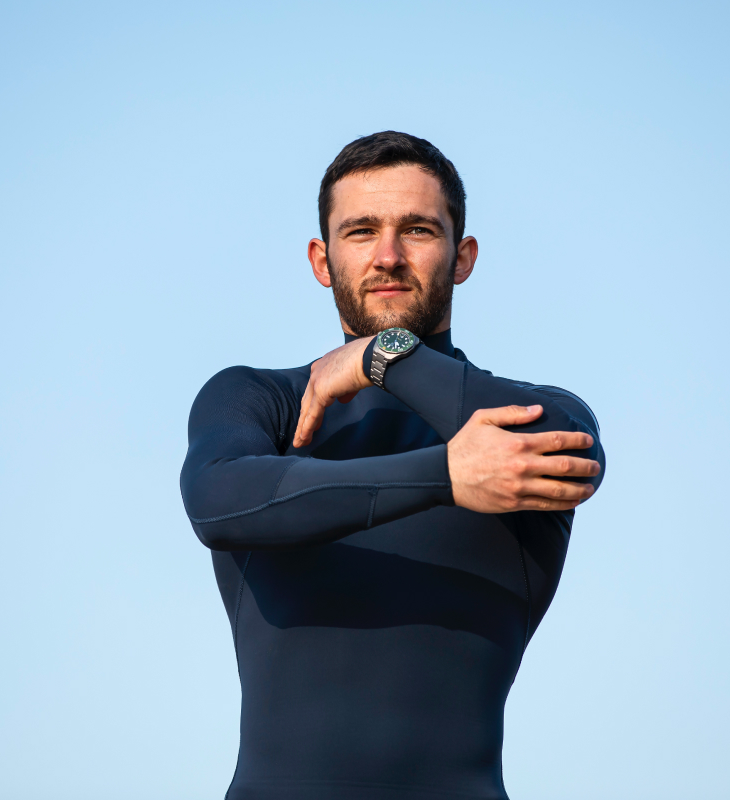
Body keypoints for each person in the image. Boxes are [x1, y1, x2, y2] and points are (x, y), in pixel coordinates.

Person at [180, 131, 605, 800]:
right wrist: (447, 476)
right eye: (361, 231)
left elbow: (573, 455)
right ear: (321, 260)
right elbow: (219, 499)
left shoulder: (524, 416)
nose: (388, 256)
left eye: (417, 230)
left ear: (463, 257)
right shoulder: (261, 401)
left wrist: (385, 357)